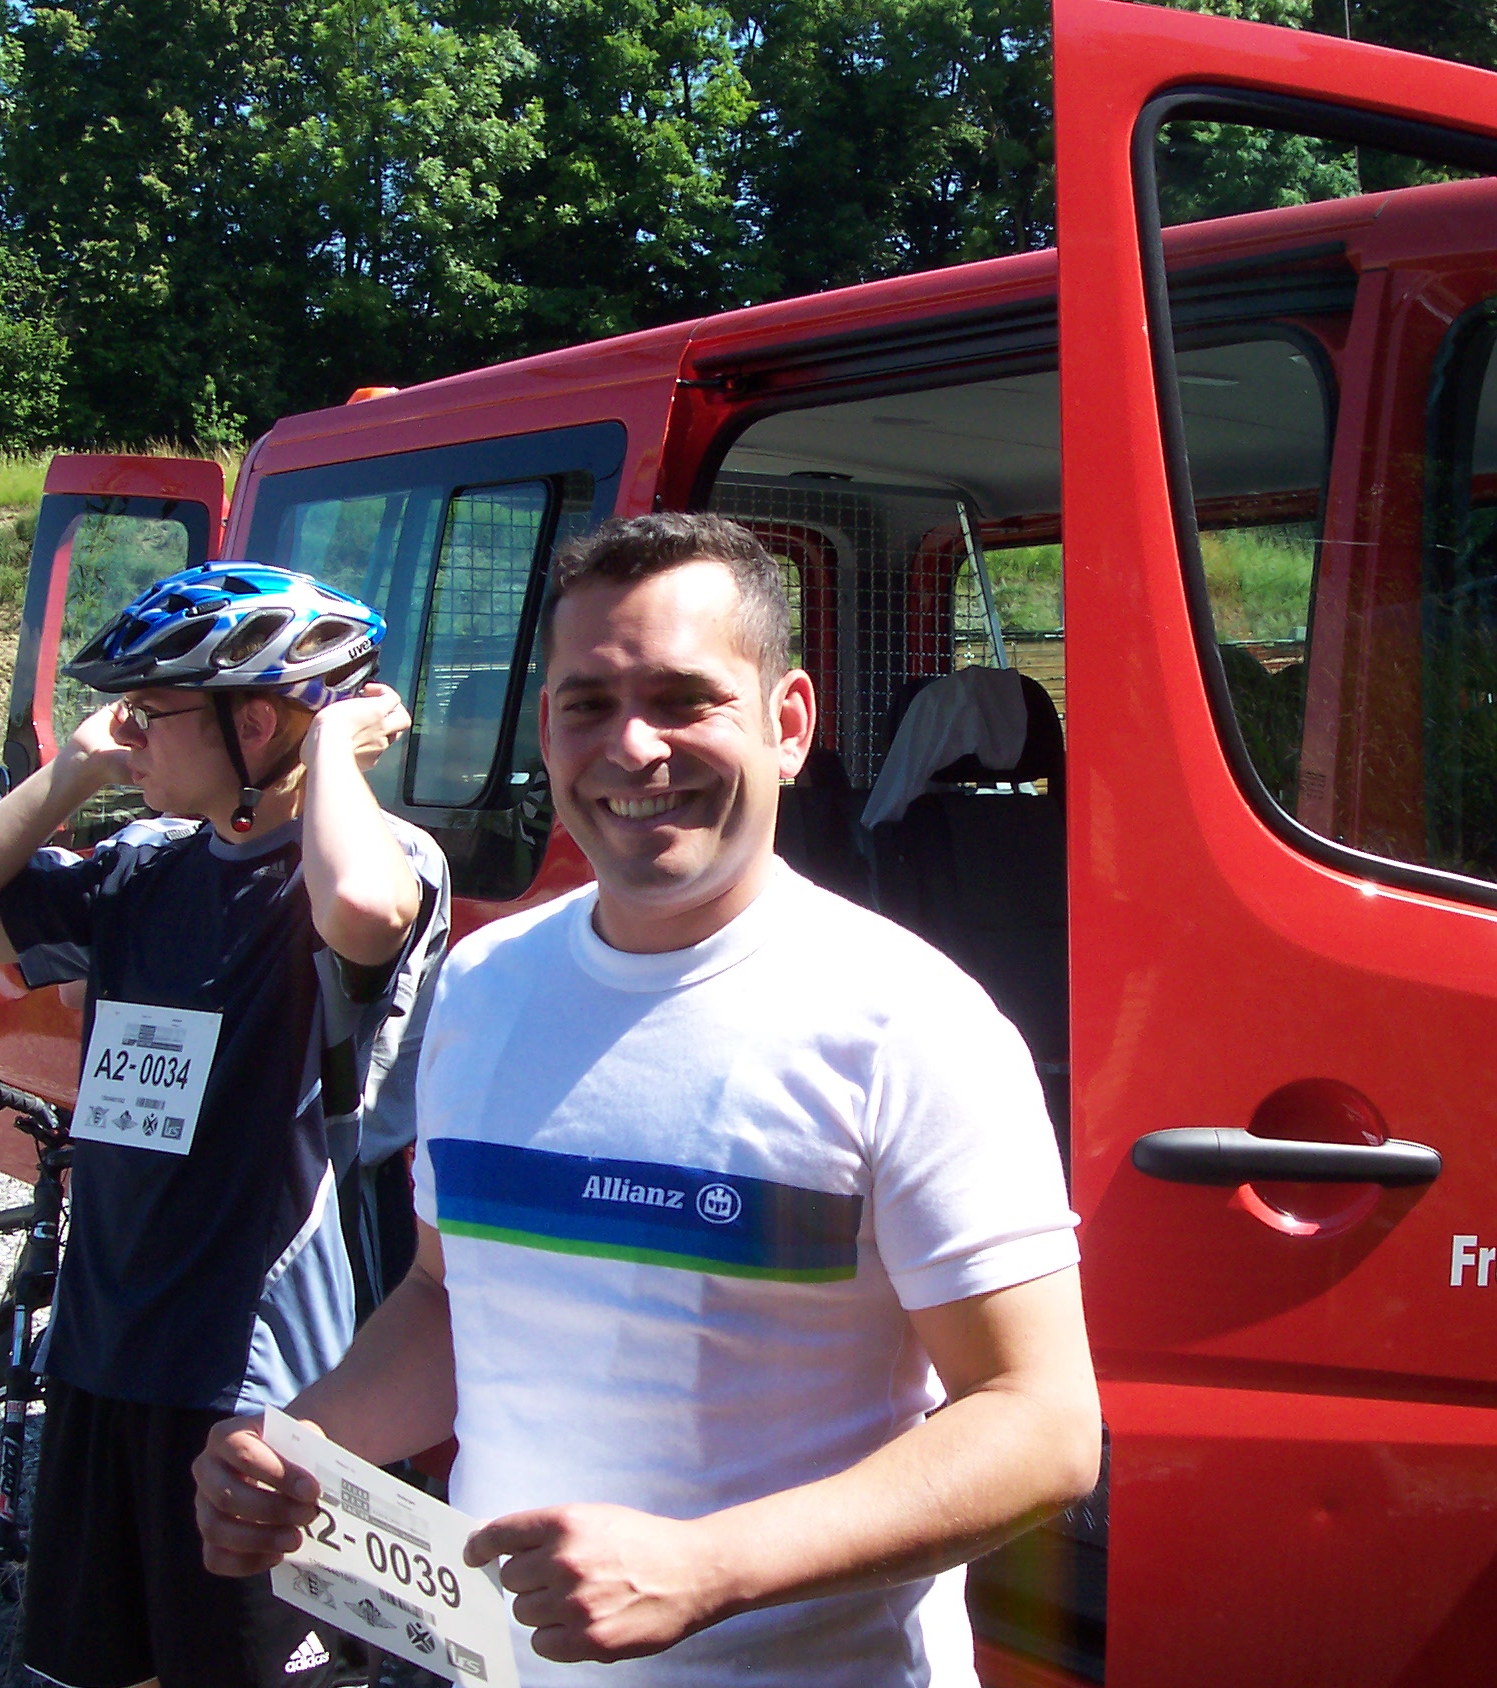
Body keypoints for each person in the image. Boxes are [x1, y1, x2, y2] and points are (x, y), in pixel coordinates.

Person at [193, 514, 1101, 1685]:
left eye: (684, 699)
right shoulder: (481, 986)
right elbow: (448, 1298)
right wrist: (304, 1444)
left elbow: (1041, 1424)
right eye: (589, 704)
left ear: (787, 724)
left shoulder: (909, 1024)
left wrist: (709, 1567)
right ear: (546, 730)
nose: (631, 746)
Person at [0, 563, 444, 1688]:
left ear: (256, 724)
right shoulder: (142, 866)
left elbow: (363, 911)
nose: (128, 734)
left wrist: (335, 748)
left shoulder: (369, 862)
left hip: (249, 1372)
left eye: (152, 712)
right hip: (103, 1345)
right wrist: (71, 772)